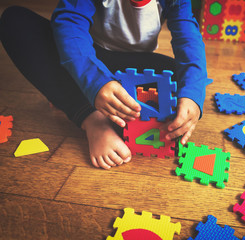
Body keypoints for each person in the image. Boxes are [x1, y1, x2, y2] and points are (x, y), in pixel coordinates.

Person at [0, 0, 210, 169]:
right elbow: (68, 25)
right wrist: (96, 83)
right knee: (15, 21)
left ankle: (70, 93)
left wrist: (192, 95)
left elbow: (188, 40)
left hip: (131, 66)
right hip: (87, 56)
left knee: (179, 75)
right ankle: (92, 118)